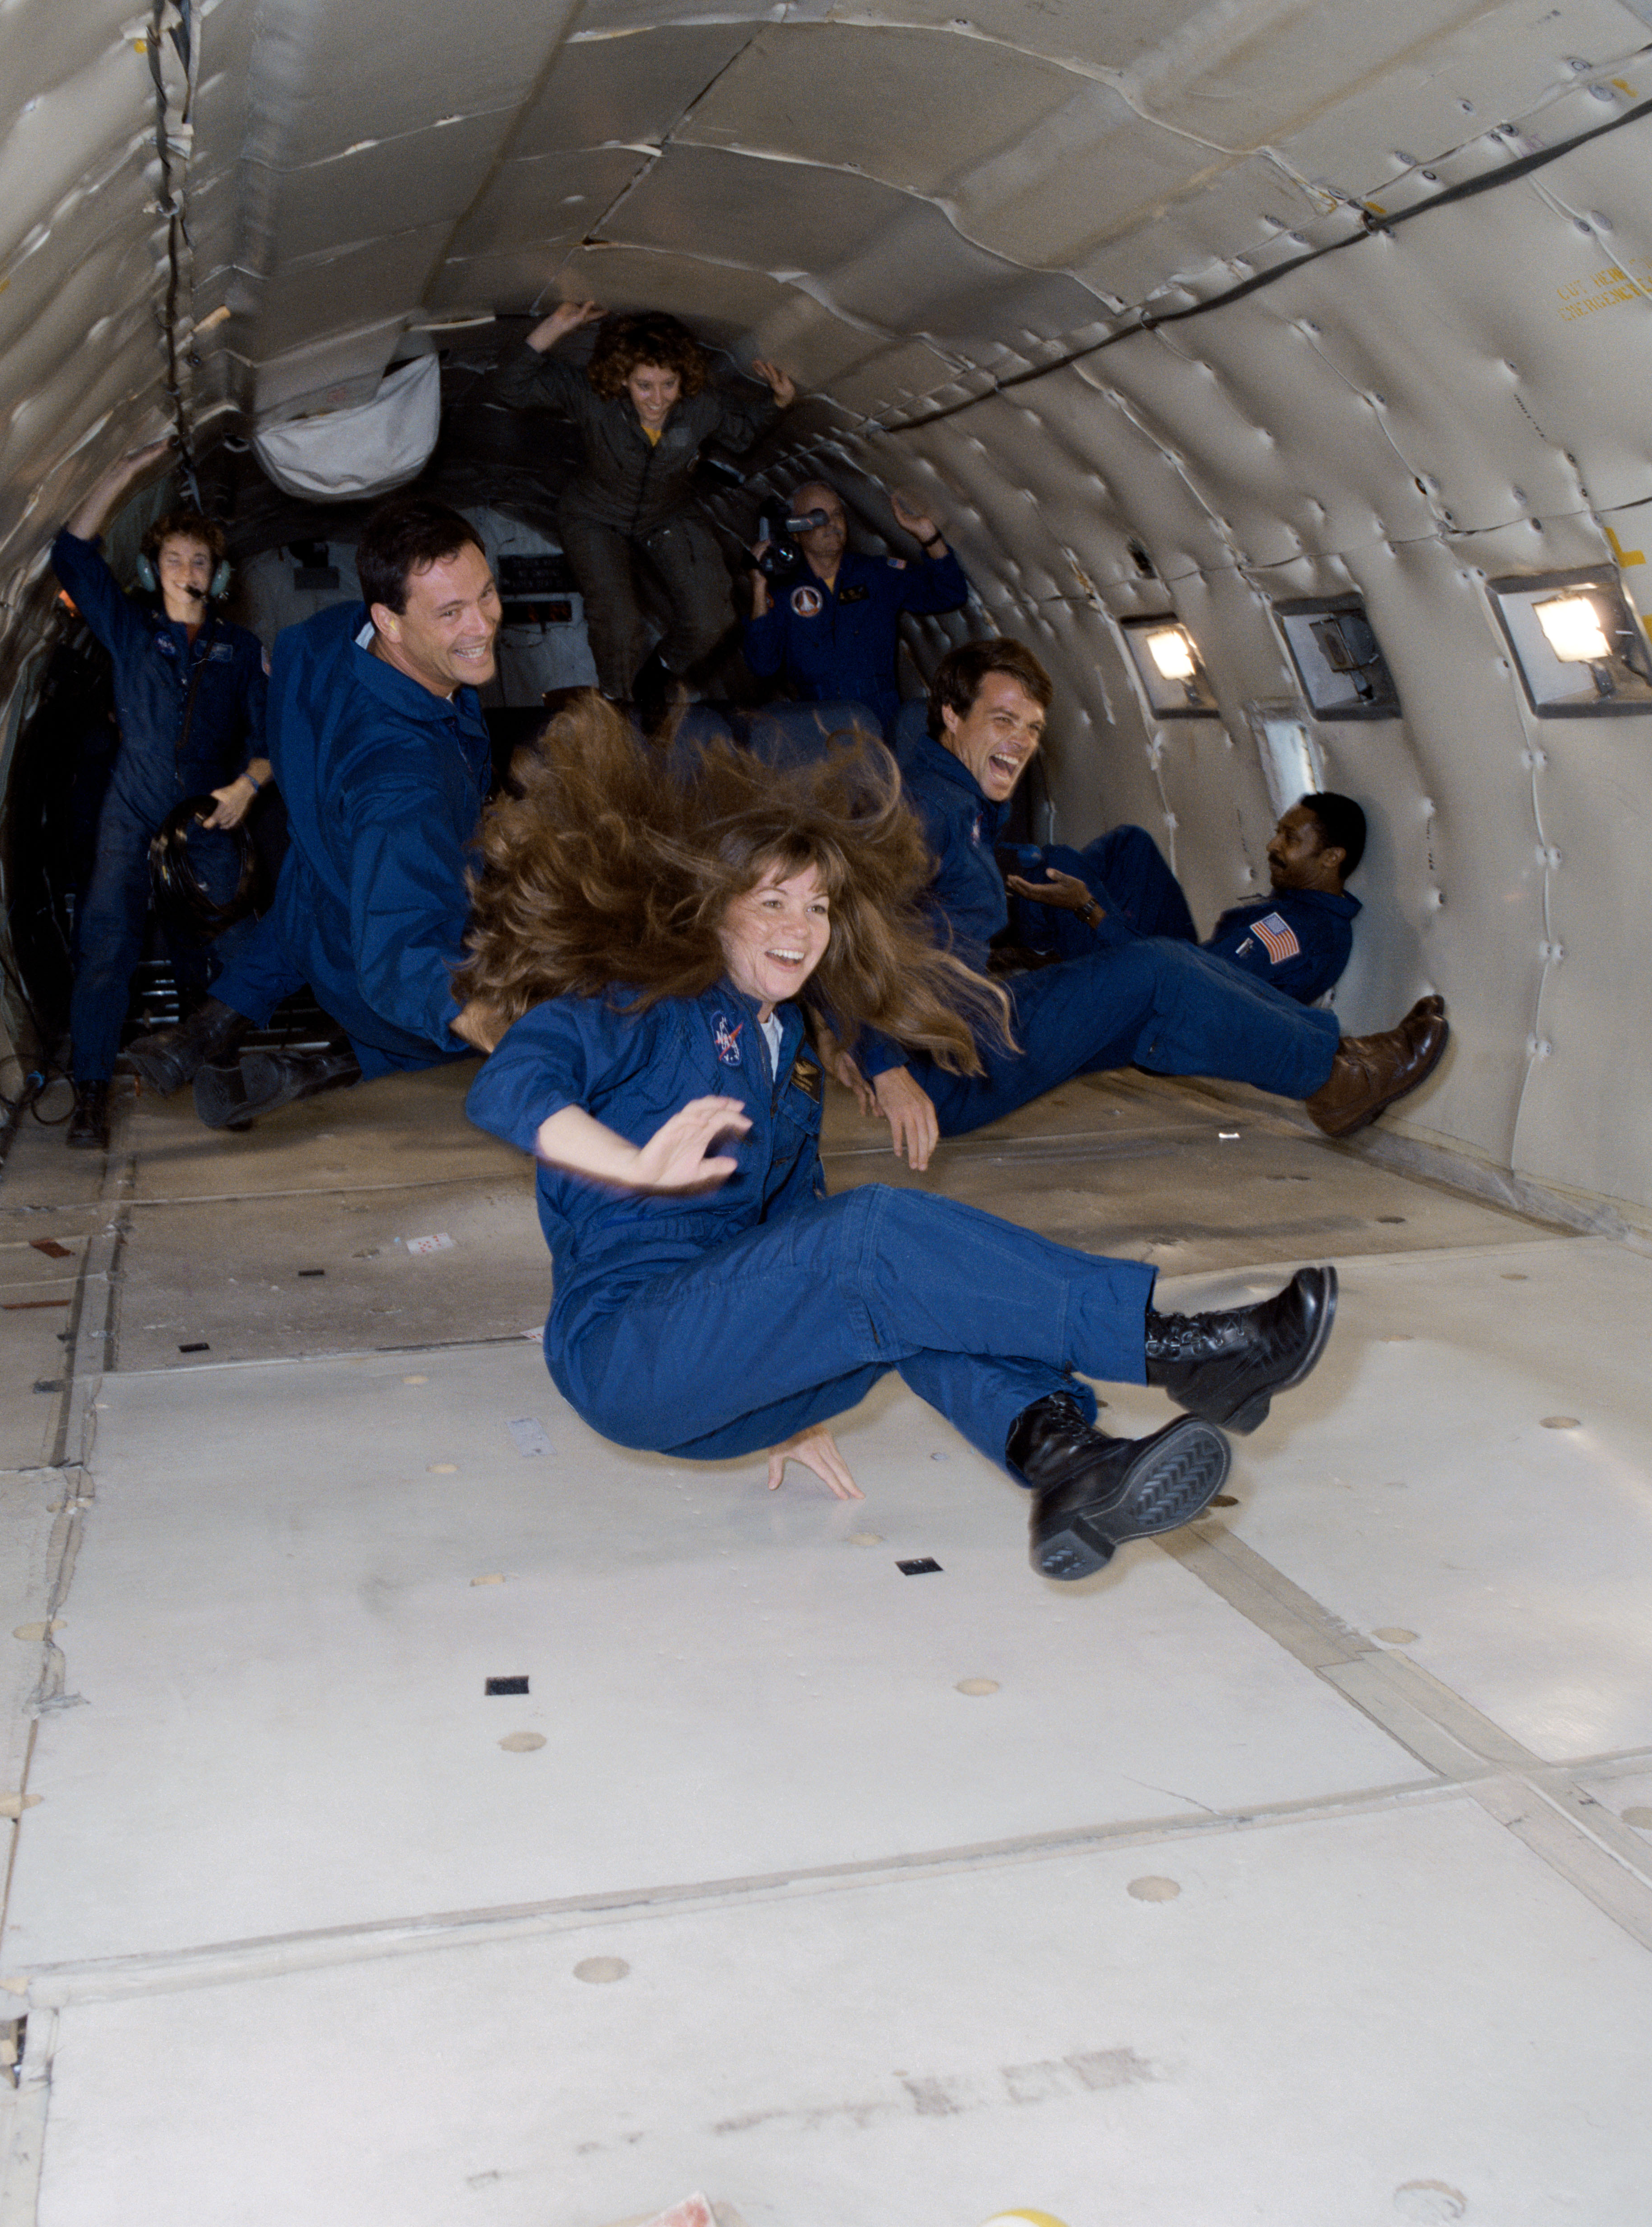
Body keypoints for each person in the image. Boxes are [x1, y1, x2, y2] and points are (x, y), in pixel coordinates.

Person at [456, 700, 1339, 1580]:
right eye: (770, 902)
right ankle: (1179, 1348)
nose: (798, 930)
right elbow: (508, 1085)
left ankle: (1063, 1457)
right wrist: (631, 1162)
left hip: (727, 1373)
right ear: (713, 910)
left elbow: (791, 1240)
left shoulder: (786, 1053)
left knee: (908, 1287)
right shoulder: (633, 1006)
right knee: (873, 1239)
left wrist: (778, 1383)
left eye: (817, 906)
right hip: (628, 1353)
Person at [845, 640, 1445, 1172]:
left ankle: (1340, 1059)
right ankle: (1336, 1077)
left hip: (964, 1023)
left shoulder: (964, 799)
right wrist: (882, 1064)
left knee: (1164, 969)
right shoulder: (929, 807)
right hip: (946, 1063)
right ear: (951, 714)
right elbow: (849, 920)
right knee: (1159, 969)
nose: (1021, 741)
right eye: (1003, 719)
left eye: (1031, 727)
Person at [146, 499, 507, 1130]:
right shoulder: (406, 781)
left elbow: (292, 654)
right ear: (388, 623)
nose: (482, 623)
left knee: (309, 897)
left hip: (319, 873)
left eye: (485, 594)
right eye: (450, 613)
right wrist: (503, 1028)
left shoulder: (329, 639)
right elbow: (400, 954)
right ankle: (317, 1070)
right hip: (366, 946)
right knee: (425, 1035)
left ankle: (202, 1031)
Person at [49, 442, 270, 1149]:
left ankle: (221, 1073)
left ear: (219, 573)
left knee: (233, 946)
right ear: (152, 571)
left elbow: (272, 744)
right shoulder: (131, 631)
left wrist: (246, 785)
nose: (186, 571)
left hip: (208, 816)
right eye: (173, 560)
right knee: (106, 946)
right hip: (133, 811)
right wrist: (119, 471)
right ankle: (89, 1094)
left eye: (199, 561)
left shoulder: (239, 650)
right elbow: (74, 553)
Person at [490, 301, 795, 710]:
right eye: (643, 386)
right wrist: (553, 328)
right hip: (594, 515)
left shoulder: (700, 405)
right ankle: (618, 702)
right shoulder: (593, 397)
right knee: (618, 622)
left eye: (668, 384)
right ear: (622, 380)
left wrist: (777, 402)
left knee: (712, 617)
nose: (657, 400)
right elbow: (511, 386)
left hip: (666, 513)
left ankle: (657, 676)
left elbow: (741, 434)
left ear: (682, 379)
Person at [1004, 794, 1368, 1006]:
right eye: (1278, 833)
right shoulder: (1302, 910)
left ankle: (1039, 949)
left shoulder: (1295, 929)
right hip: (1189, 964)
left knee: (1056, 861)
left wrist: (1088, 908)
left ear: (1331, 858)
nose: (1272, 846)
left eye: (1289, 839)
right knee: (1132, 844)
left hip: (1164, 1002)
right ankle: (1047, 927)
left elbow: (1192, 982)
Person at [742, 477, 969, 734]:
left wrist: (929, 536)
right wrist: (760, 587)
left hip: (880, 719)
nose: (831, 523)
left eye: (837, 514)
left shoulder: (877, 574)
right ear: (795, 530)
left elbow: (951, 593)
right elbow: (762, 665)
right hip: (818, 725)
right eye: (818, 517)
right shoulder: (783, 591)